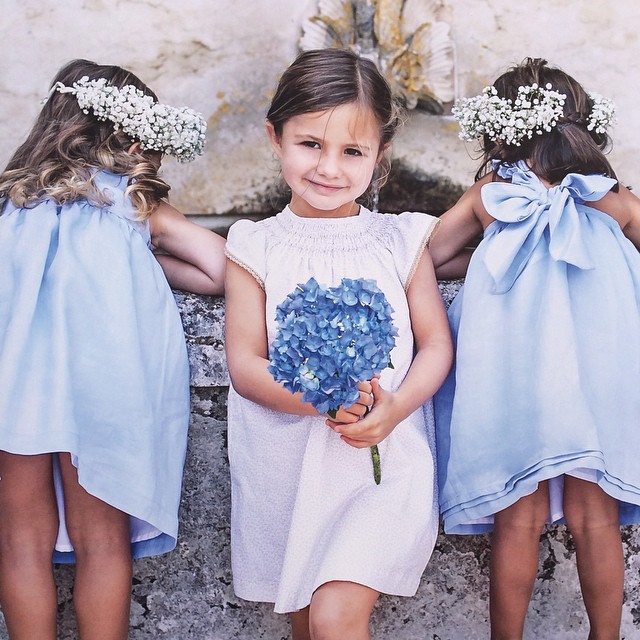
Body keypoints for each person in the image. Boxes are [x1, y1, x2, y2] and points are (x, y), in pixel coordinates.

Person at [224, 48, 453, 640]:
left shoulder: (400, 239)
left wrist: (396, 407)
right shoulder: (254, 245)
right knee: (307, 625)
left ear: (380, 155)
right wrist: (319, 401)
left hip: (381, 463)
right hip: (288, 472)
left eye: (353, 150)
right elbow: (246, 364)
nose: (329, 167)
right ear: (275, 137)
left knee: (332, 620)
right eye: (310, 144)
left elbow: (435, 346)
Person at [0, 59, 225, 639]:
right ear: (126, 135)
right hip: (101, 395)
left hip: (17, 396)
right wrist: (148, 255)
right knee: (102, 541)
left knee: (20, 542)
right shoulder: (129, 203)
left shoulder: (10, 204)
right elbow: (220, 270)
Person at [430, 57, 640, 639]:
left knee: (516, 517)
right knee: (595, 517)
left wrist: (497, 250)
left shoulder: (492, 197)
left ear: (498, 129)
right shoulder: (610, 200)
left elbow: (429, 257)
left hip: (515, 374)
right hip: (595, 374)